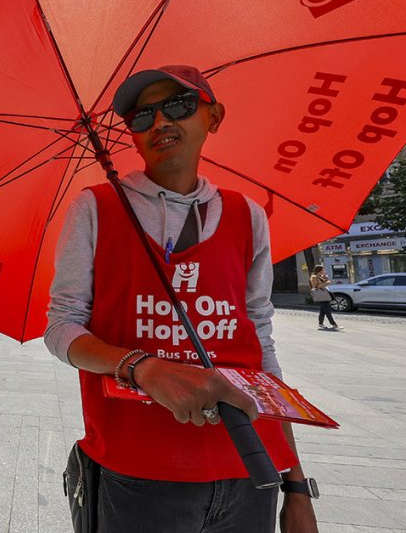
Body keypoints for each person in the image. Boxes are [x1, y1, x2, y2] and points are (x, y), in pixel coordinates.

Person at [44, 65, 318, 532]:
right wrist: (142, 366)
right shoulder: (97, 208)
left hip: (251, 466)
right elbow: (62, 326)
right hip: (138, 473)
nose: (160, 122)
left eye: (178, 105)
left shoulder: (247, 215)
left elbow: (260, 347)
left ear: (214, 116)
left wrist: (295, 484)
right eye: (141, 116)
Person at [310, 264, 341, 330]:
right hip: (321, 295)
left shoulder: (321, 276)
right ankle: (334, 324)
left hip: (324, 295)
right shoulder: (314, 277)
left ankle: (320, 324)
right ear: (319, 270)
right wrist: (327, 283)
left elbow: (324, 283)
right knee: (327, 311)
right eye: (323, 269)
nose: (324, 270)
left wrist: (326, 279)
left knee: (323, 311)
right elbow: (316, 286)